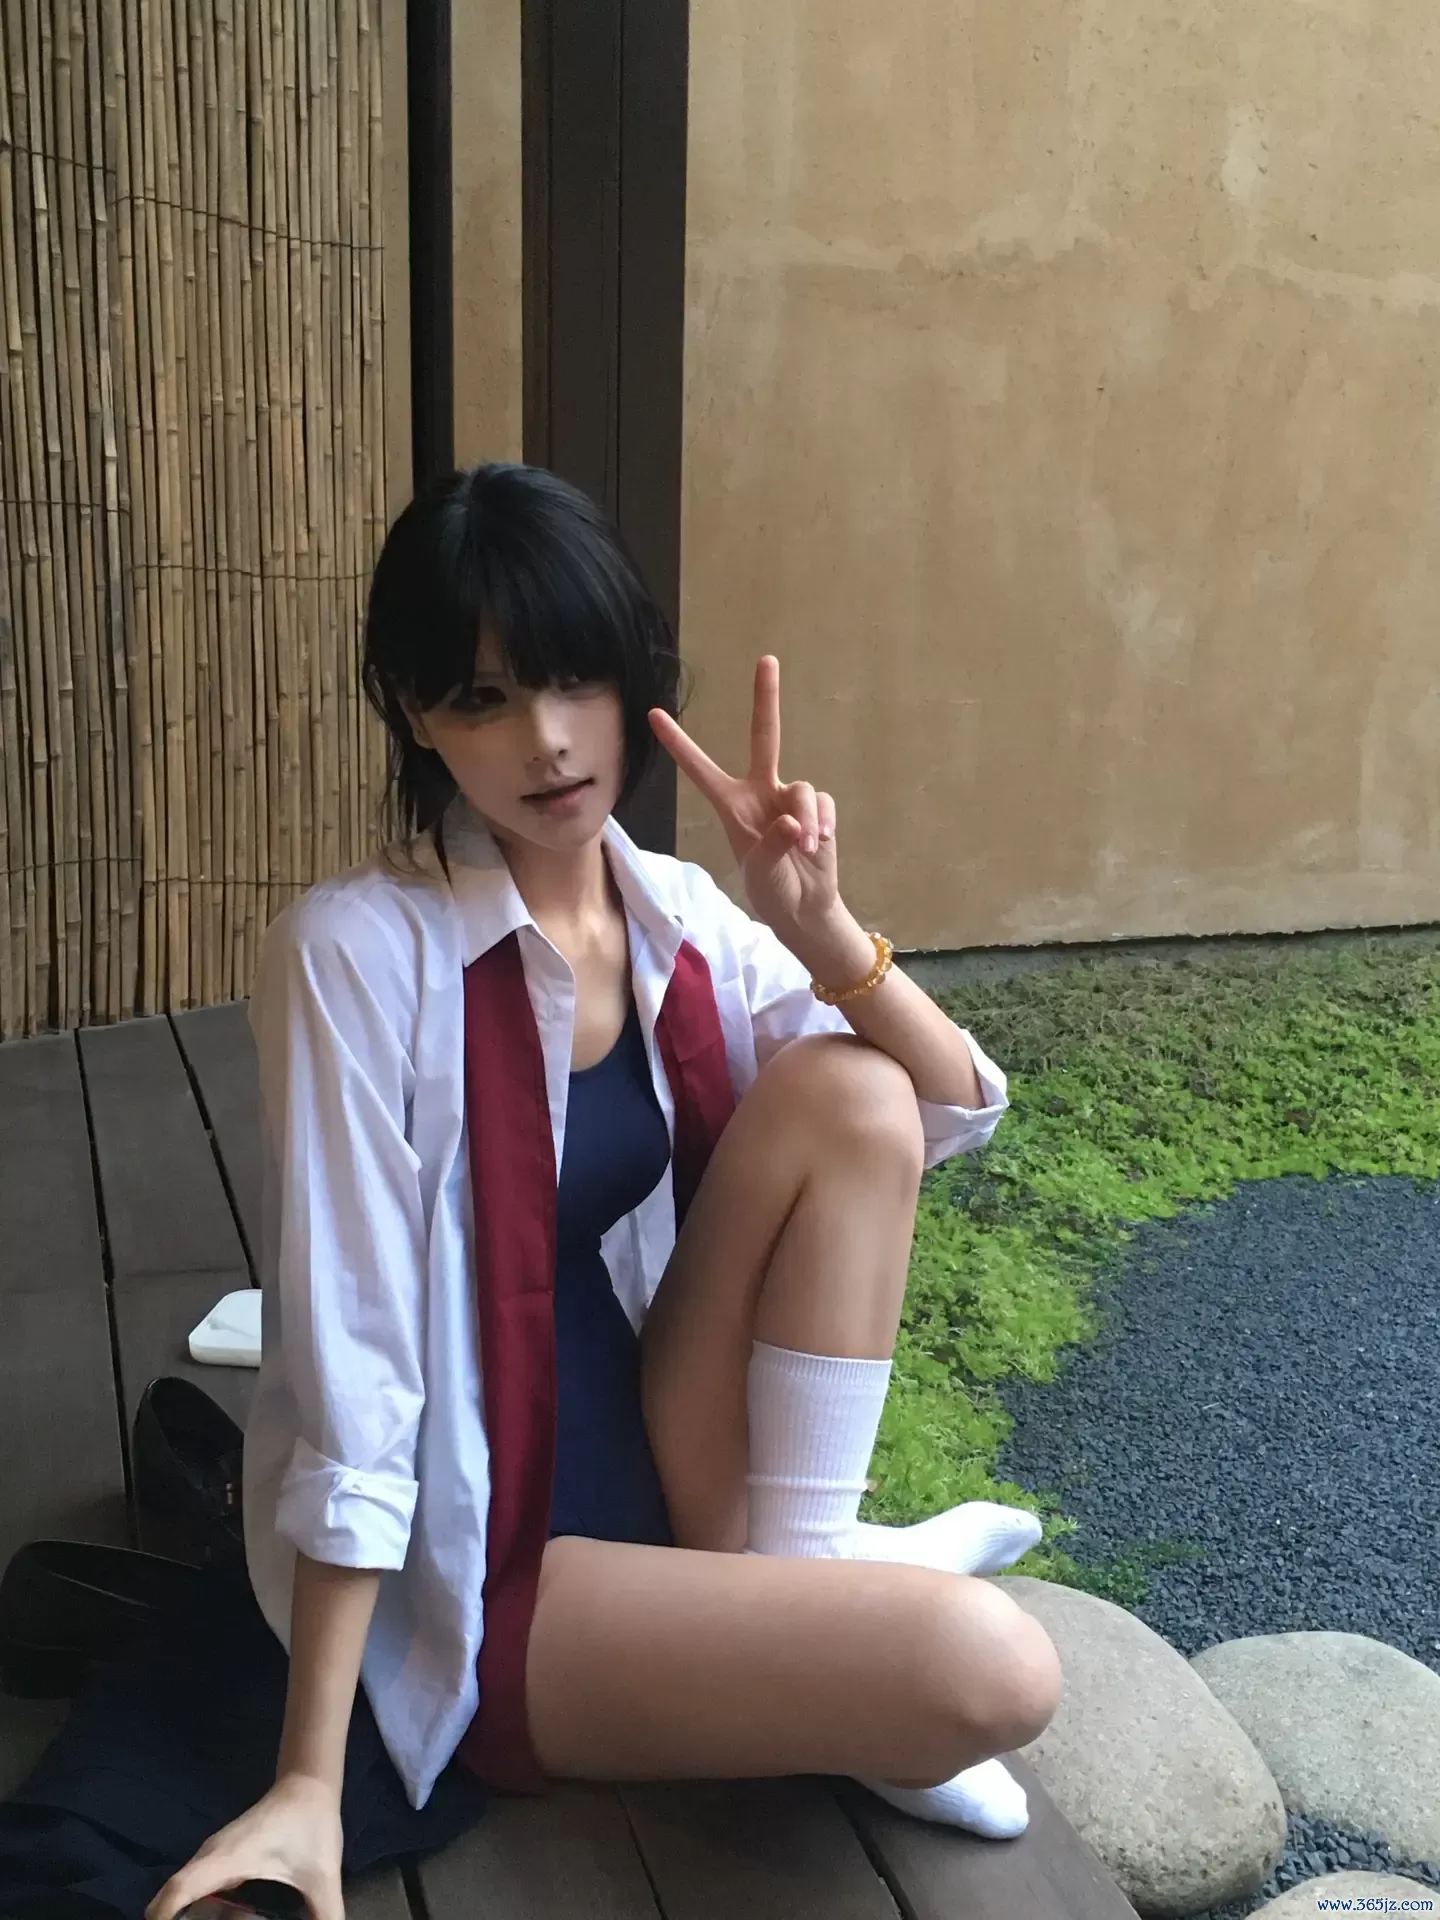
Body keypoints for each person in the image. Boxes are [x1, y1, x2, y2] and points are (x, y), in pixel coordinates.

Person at [144, 463, 1060, 1920]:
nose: (550, 741)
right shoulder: (354, 957)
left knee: (854, 1089)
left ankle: (809, 1571)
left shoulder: (674, 915)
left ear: (635, 678)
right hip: (505, 1548)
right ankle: (850, 1632)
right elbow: (352, 1367)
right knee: (997, 1669)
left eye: (576, 677)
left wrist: (822, 926)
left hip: (661, 1426)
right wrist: (310, 1778)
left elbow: (948, 1109)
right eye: (484, 697)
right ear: (414, 713)